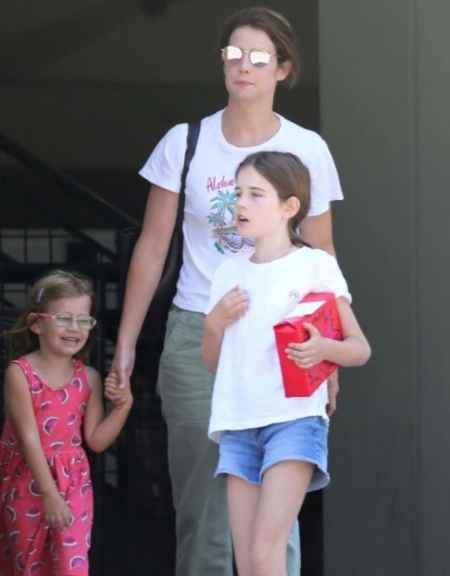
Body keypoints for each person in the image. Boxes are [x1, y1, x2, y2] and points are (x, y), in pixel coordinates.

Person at [113, 6, 344, 575]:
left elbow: (322, 258)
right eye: (234, 55)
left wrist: (328, 353)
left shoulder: (307, 148)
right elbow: (152, 246)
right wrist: (126, 342)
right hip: (199, 333)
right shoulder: (184, 142)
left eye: (260, 57)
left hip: (284, 340)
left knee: (276, 513)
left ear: (283, 69)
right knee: (204, 513)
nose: (244, 67)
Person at [203, 151, 371, 576]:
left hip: (295, 420)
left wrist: (322, 350)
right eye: (237, 193)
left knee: (266, 548)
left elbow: (359, 348)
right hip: (237, 423)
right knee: (248, 559)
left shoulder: (315, 265)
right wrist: (215, 323)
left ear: (289, 207)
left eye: (256, 194)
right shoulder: (226, 272)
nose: (241, 203)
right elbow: (212, 362)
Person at [0, 270, 132, 576]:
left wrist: (124, 407)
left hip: (74, 485)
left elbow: (97, 440)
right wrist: (48, 493)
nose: (75, 328)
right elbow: (28, 438)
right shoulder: (19, 373)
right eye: (64, 318)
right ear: (36, 324)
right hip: (26, 482)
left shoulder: (89, 378)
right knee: (28, 566)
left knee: (72, 566)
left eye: (83, 320)